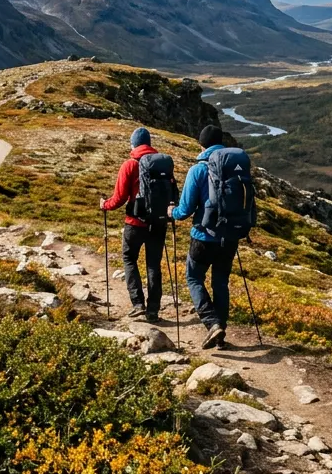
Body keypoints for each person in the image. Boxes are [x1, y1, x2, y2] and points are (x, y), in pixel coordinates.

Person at [171, 124, 241, 349]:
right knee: (220, 283)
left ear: (201, 144)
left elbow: (184, 210)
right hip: (229, 238)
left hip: (203, 237)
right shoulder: (236, 169)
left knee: (193, 278)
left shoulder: (198, 169)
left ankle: (212, 324)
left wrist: (171, 212)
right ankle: (221, 334)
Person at [100, 127, 172, 322]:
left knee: (129, 258)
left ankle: (138, 303)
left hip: (135, 223)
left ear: (133, 144)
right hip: (158, 223)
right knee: (153, 265)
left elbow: (119, 198)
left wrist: (104, 205)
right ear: (149, 144)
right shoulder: (163, 165)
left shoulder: (130, 165)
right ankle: (153, 310)